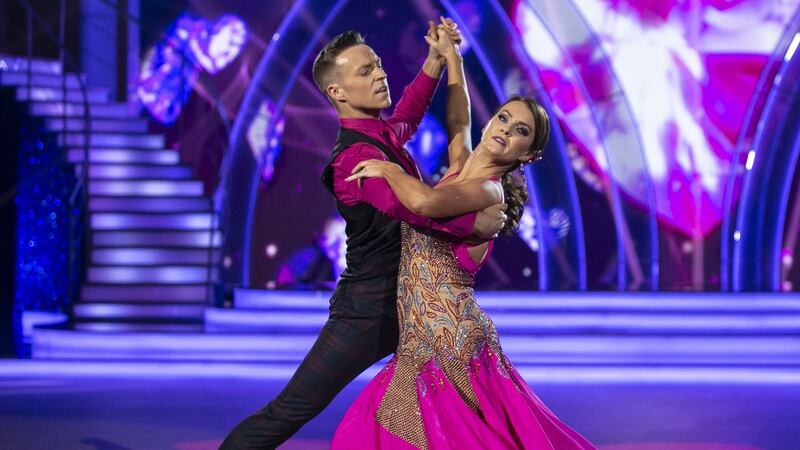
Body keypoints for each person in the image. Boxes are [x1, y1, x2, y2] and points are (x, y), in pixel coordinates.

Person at [220, 22, 507, 449]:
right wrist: (475, 224)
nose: (380, 74)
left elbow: (407, 116)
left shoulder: (381, 135)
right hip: (370, 312)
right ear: (337, 92)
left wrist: (435, 60)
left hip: (414, 304)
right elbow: (415, 210)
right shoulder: (353, 158)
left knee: (454, 409)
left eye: (378, 65)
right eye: (365, 71)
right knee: (290, 409)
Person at [331, 19, 596, 449]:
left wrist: (390, 170)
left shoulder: (489, 192)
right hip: (421, 346)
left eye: (520, 131)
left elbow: (425, 203)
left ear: (528, 153)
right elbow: (459, 117)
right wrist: (451, 54)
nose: (504, 129)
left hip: (450, 348)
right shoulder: (460, 169)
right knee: (370, 435)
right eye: (503, 118)